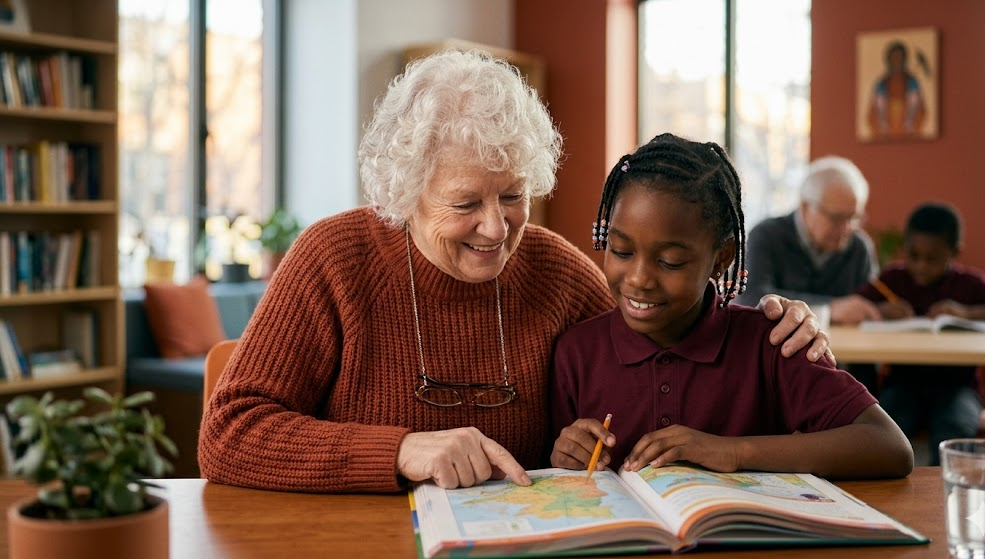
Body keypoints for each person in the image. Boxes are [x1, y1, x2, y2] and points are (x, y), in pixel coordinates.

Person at [198, 50, 834, 494]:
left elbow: (664, 328)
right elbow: (229, 434)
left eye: (511, 195)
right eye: (465, 203)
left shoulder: (558, 271)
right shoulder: (333, 259)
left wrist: (781, 320)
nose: (497, 229)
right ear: (405, 191)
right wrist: (398, 450)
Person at [550, 134, 913, 480]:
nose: (639, 278)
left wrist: (733, 452)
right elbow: (555, 472)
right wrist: (563, 455)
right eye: (621, 251)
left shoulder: (774, 345)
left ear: (721, 259)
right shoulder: (577, 353)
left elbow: (890, 446)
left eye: (672, 261)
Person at [856, 202, 985, 465]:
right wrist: (879, 310)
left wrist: (968, 314)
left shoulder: (968, 284)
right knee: (882, 429)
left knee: (954, 429)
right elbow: (851, 307)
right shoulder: (894, 279)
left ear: (954, 252)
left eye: (932, 258)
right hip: (903, 386)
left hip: (958, 388)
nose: (921, 265)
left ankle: (942, 500)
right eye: (912, 255)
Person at [737, 156, 881, 326]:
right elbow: (749, 297)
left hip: (842, 350)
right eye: (836, 218)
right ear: (805, 207)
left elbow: (867, 301)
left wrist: (881, 308)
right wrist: (830, 308)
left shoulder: (859, 247)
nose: (846, 229)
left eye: (853, 217)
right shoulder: (766, 236)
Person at [867, 41, 927, 139]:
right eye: (894, 57)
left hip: (908, 125)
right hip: (886, 125)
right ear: (888, 59)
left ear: (904, 59)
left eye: (899, 57)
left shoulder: (912, 82)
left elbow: (920, 110)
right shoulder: (881, 83)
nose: (896, 60)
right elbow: (873, 113)